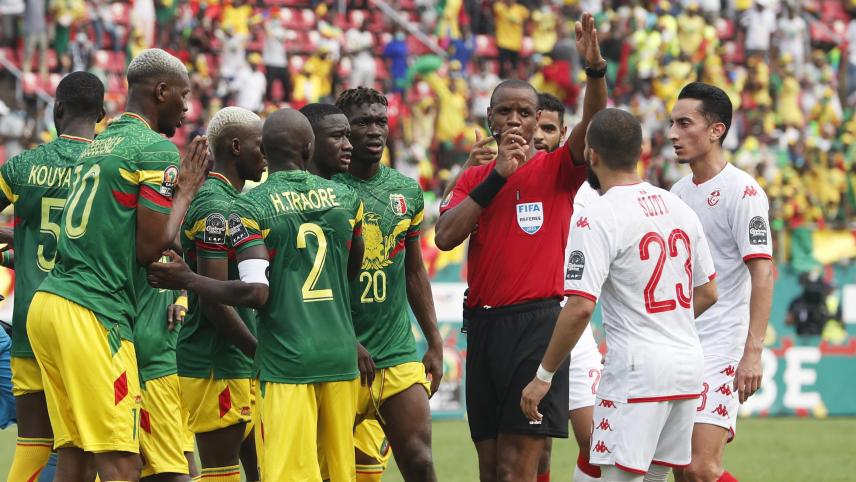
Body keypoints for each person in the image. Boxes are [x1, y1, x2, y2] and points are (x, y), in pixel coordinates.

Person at [147, 108, 365, 482]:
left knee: (276, 470)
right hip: (225, 361)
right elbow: (352, 265)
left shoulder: (250, 206)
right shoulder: (344, 197)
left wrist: (187, 280)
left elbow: (254, 291)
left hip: (276, 359)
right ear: (309, 149)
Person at [433, 13, 607, 482]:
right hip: (485, 327)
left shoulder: (557, 170)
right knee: (491, 472)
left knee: (518, 471)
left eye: (524, 113)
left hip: (536, 325)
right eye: (505, 111)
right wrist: (495, 178)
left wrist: (594, 72)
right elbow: (445, 236)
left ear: (537, 121)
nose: (514, 120)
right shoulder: (474, 176)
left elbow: (593, 123)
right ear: (489, 117)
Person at [26, 48, 209, 480]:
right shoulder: (155, 150)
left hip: (49, 306)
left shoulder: (97, 143)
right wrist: (185, 190)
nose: (186, 109)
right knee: (122, 460)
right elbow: (150, 249)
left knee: (75, 455)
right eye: (183, 97)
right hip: (93, 316)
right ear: (161, 91)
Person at [520, 108, 719, 482]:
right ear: (640, 151)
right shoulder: (679, 207)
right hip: (688, 364)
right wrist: (665, 323)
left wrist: (544, 376)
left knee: (615, 476)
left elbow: (579, 306)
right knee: (656, 477)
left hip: (638, 369)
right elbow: (708, 291)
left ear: (591, 154)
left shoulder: (596, 214)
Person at [335, 87, 443, 482]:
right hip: (338, 355)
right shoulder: (326, 190)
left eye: (380, 121)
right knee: (336, 471)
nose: (375, 130)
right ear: (343, 130)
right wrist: (347, 339)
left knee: (419, 461)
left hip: (396, 353)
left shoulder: (406, 190)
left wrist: (433, 341)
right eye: (363, 123)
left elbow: (414, 272)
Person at [0, 71, 105, 482]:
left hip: (30, 316)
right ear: (101, 114)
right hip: (87, 317)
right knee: (86, 446)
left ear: (57, 108)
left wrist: (18, 239)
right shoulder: (109, 166)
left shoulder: (24, 165)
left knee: (33, 442)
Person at [669, 82, 774, 482]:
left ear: (716, 130)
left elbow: (762, 271)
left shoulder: (743, 191)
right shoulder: (677, 193)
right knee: (681, 468)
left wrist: (752, 352)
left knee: (701, 468)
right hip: (680, 342)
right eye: (672, 124)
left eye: (685, 123)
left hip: (720, 346)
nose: (674, 134)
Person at [177, 106, 266, 482]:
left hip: (236, 358)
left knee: (262, 470)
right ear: (235, 146)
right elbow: (213, 300)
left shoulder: (234, 201)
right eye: (260, 145)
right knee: (221, 473)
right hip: (215, 360)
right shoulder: (215, 205)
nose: (267, 154)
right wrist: (258, 352)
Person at [533, 93, 604, 482]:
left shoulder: (583, 187)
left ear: (564, 133)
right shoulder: (501, 178)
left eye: (549, 129)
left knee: (596, 441)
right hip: (528, 323)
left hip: (574, 326)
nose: (540, 136)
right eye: (535, 127)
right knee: (538, 449)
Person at [134, 283, 199, 482]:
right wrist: (184, 295)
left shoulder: (131, 253)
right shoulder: (172, 251)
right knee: (185, 461)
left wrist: (185, 296)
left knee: (169, 471)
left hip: (154, 371)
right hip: (177, 363)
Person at [299, 103, 353, 180]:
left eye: (347, 136)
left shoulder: (345, 188)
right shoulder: (287, 189)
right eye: (337, 136)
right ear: (309, 141)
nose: (349, 145)